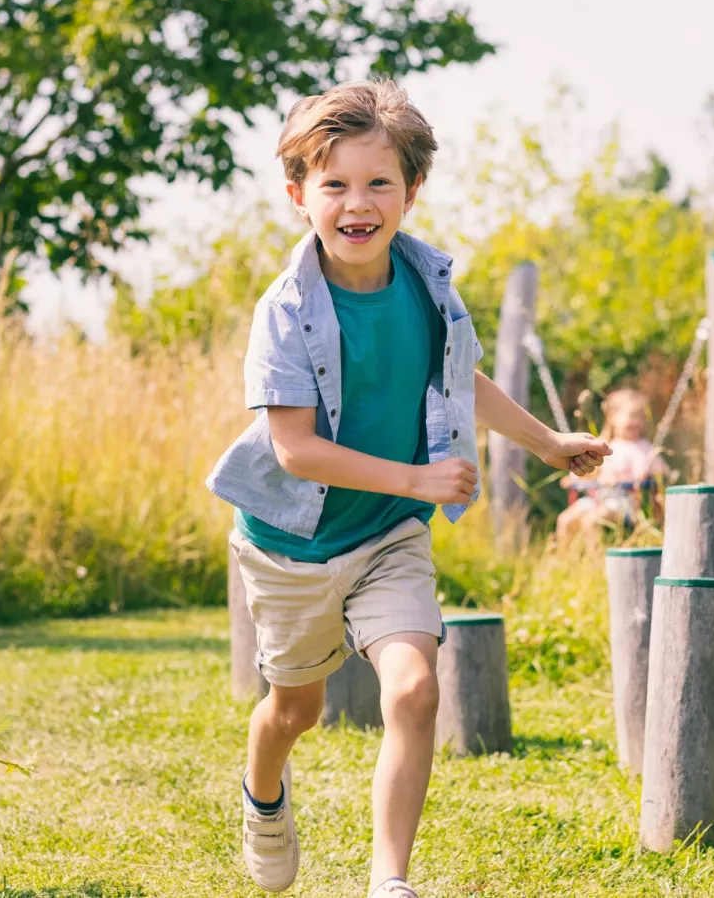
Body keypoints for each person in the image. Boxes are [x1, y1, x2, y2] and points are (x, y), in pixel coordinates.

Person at [207, 79, 611, 898]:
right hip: (294, 545)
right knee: (296, 711)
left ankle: (388, 882)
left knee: (417, 688)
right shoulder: (285, 310)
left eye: (378, 183)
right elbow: (294, 450)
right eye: (335, 185)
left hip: (389, 531)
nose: (358, 204)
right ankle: (262, 797)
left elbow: (461, 378)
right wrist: (418, 476)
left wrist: (548, 443)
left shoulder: (428, 287)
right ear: (299, 195)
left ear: (411, 191)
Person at [555, 389, 669, 543]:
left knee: (592, 520)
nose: (636, 422)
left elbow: (663, 471)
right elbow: (588, 471)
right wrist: (574, 479)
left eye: (640, 417)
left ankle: (595, 559)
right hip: (597, 498)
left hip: (625, 504)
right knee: (565, 519)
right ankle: (564, 559)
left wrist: (642, 475)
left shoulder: (643, 448)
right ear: (613, 418)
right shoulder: (604, 444)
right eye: (631, 415)